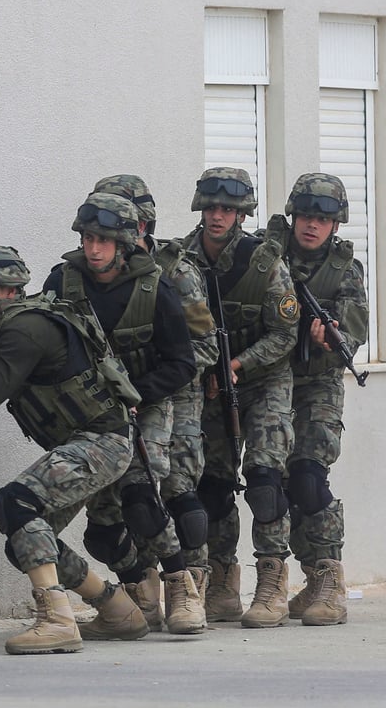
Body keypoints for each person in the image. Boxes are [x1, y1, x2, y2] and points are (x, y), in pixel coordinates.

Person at [0, 245, 141, 655]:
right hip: (94, 441)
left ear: (8, 290)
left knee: (14, 504)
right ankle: (117, 610)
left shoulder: (24, 329)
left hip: (102, 443)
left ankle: (57, 621)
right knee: (28, 540)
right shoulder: (16, 324)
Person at [43, 191, 204, 635]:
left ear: (125, 243)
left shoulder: (154, 287)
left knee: (139, 497)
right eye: (88, 238)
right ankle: (138, 593)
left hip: (146, 405)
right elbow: (37, 339)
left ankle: (180, 584)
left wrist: (137, 394)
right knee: (101, 531)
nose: (94, 249)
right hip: (89, 413)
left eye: (104, 240)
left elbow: (182, 364)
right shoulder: (63, 282)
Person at [91, 175, 219, 625]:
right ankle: (141, 587)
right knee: (120, 503)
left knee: (178, 492)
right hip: (116, 401)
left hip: (175, 393)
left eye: (133, 222)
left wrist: (148, 382)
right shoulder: (90, 274)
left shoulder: (176, 272)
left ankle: (190, 587)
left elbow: (204, 348)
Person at [182, 167, 299, 628]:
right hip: (210, 386)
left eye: (227, 209)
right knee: (211, 484)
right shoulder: (182, 259)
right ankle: (221, 579)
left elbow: (285, 333)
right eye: (211, 207)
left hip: (263, 380)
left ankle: (271, 581)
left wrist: (238, 364)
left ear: (241, 214)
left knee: (265, 480)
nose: (217, 216)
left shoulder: (263, 262)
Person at [275, 174, 368, 625]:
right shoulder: (267, 254)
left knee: (309, 476)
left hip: (318, 383)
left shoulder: (345, 267)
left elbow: (355, 323)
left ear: (336, 224)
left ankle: (328, 577)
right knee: (272, 485)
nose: (313, 226)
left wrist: (334, 337)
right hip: (266, 381)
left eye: (323, 219)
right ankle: (305, 576)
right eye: (307, 216)